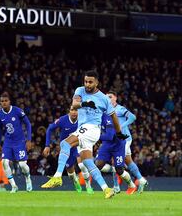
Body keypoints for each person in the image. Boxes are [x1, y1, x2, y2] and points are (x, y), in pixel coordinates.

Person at [41, 70, 126, 199]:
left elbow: (113, 116)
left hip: (92, 128)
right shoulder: (80, 90)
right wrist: (85, 104)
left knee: (65, 143)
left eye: (90, 82)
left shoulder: (103, 98)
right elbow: (74, 104)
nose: (87, 84)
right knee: (87, 162)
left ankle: (57, 176)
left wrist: (119, 132)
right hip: (84, 128)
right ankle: (106, 189)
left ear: (97, 82)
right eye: (86, 81)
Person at [43, 107, 94, 194]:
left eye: (76, 110)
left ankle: (88, 186)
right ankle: (75, 181)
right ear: (69, 111)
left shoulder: (83, 120)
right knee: (70, 170)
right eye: (72, 110)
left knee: (82, 165)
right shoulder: (63, 120)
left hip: (79, 145)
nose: (74, 112)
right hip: (67, 148)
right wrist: (47, 145)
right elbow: (50, 129)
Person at [107, 91, 148, 193]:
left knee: (115, 161)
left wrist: (122, 125)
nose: (108, 99)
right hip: (117, 139)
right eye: (106, 97)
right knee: (128, 161)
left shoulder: (120, 109)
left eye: (110, 97)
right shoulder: (107, 111)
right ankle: (141, 180)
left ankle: (116, 186)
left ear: (115, 98)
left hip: (124, 139)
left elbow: (132, 117)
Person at [0, 92, 32, 193]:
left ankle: (28, 178)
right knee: (4, 162)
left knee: (22, 165)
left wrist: (28, 140)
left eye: (6, 101)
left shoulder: (17, 111)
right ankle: (14, 186)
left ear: (9, 102)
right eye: (2, 101)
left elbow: (28, 124)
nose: (4, 103)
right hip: (8, 142)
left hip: (20, 141)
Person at [95, 113, 137, 194]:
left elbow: (110, 135)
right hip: (106, 144)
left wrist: (96, 137)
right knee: (98, 165)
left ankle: (132, 185)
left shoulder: (108, 117)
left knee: (119, 170)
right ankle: (106, 189)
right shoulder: (93, 117)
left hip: (118, 144)